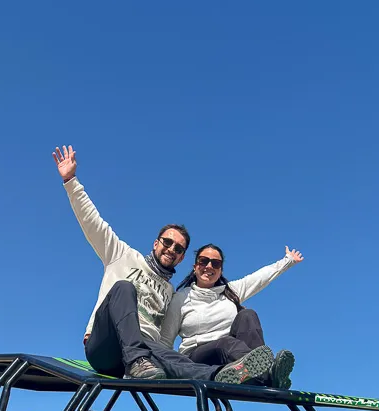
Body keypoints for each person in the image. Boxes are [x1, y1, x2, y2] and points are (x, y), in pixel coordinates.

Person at [53, 146, 274, 385]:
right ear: (156, 243)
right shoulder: (122, 256)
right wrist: (71, 181)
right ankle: (137, 359)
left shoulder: (170, 292)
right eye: (167, 243)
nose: (171, 249)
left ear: (181, 258)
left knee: (177, 359)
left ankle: (222, 376)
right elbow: (93, 223)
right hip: (106, 346)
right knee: (124, 288)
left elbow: (166, 339)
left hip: (147, 352)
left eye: (178, 248)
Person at [159, 243, 303, 388]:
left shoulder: (230, 292)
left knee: (248, 314)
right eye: (203, 261)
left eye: (215, 263)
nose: (209, 266)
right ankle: (269, 374)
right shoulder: (181, 298)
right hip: (197, 358)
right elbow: (166, 339)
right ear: (195, 266)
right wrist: (161, 369)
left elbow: (259, 278)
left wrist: (288, 260)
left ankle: (261, 373)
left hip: (232, 358)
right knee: (225, 344)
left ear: (220, 270)